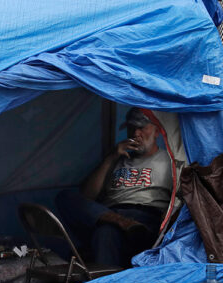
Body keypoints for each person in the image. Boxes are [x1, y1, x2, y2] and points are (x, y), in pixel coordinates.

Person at [56, 107, 173, 268]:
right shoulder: (116, 158)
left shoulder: (169, 161)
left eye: (142, 128)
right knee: (65, 197)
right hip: (109, 215)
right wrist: (111, 157)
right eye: (131, 128)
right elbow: (87, 196)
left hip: (145, 218)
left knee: (105, 231)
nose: (135, 134)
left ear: (157, 131)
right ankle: (122, 222)